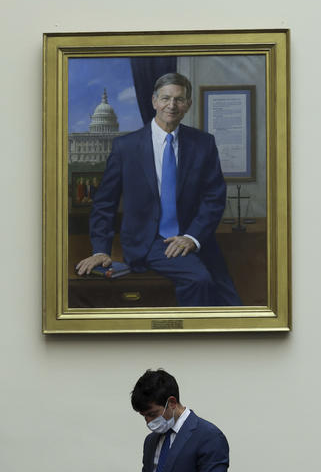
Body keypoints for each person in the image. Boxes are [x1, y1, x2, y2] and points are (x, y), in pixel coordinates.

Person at [75, 73, 241, 306]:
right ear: (154, 101)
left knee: (232, 303)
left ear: (188, 105)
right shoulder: (126, 147)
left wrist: (192, 237)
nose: (171, 106)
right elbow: (104, 203)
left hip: (194, 238)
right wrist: (100, 250)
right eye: (165, 98)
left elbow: (214, 198)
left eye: (179, 99)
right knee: (199, 279)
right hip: (149, 241)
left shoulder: (203, 143)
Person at [132, 369, 229, 472]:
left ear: (172, 403)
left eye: (152, 414)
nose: (148, 421)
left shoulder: (209, 437)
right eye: (144, 416)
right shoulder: (150, 441)